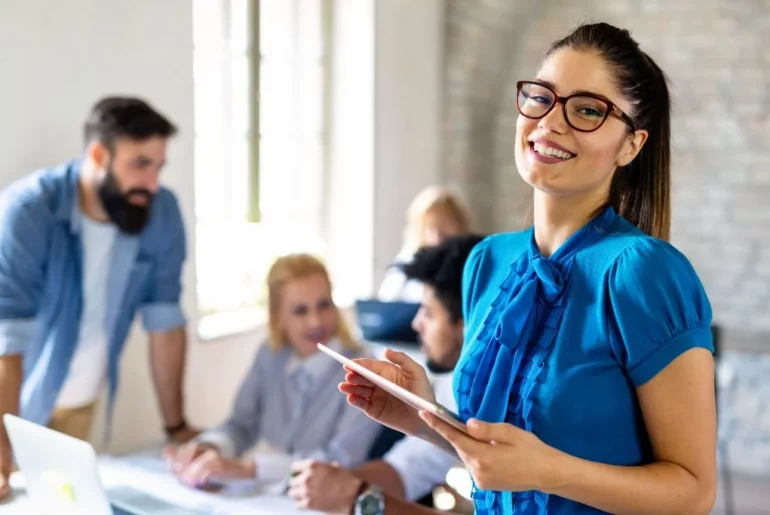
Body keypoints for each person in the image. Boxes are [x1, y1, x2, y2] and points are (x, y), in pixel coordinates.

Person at [339, 22, 717, 515]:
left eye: (587, 110)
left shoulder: (644, 272)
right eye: (541, 97)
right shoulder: (485, 262)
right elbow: (500, 463)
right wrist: (418, 416)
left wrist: (548, 470)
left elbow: (694, 493)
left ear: (631, 145)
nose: (550, 122)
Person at [0, 97, 199, 500]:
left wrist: (176, 427)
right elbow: (7, 337)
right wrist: (2, 454)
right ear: (98, 154)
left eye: (158, 166)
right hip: (14, 402)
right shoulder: (29, 211)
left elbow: (165, 322)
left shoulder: (160, 213)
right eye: (140, 164)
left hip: (81, 405)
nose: (152, 183)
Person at [288, 235, 484, 514]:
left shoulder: (512, 409)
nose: (416, 324)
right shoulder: (454, 387)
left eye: (428, 313)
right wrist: (329, 484)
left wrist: (358, 499)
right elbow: (409, 467)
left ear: (465, 325)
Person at [163, 254, 380, 489]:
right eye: (300, 311)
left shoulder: (363, 370)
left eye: (324, 305)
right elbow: (241, 423)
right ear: (278, 317)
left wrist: (250, 469)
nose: (315, 321)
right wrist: (209, 447)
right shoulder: (270, 355)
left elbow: (340, 460)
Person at [377, 186, 471, 303]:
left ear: (459, 224)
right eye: (431, 227)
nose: (438, 234)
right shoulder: (409, 261)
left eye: (444, 225)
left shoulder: (471, 263)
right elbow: (386, 303)